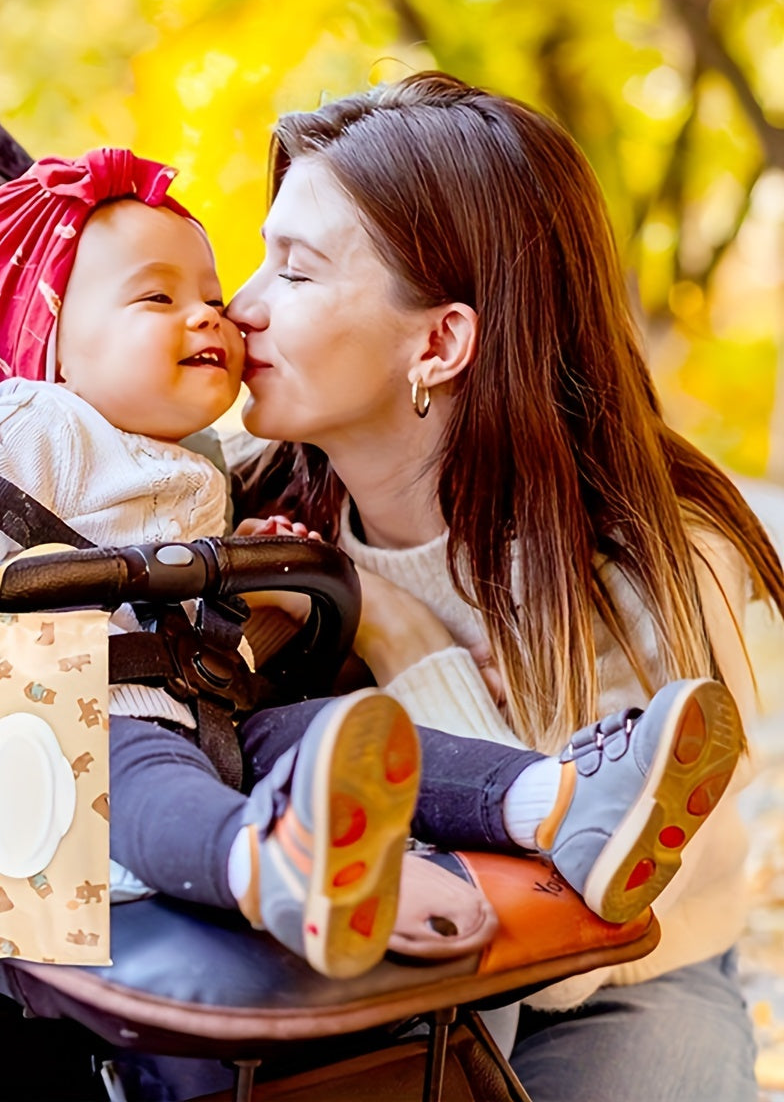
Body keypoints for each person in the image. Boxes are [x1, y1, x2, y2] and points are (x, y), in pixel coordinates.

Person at [0, 147, 741, 988]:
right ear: (51, 341)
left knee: (340, 729)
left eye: (275, 274)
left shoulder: (198, 470)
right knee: (138, 773)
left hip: (201, 715)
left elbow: (561, 973)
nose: (227, 312)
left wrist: (269, 583)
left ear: (438, 344)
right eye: (158, 299)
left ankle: (555, 801)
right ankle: (269, 861)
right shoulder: (34, 422)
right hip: (53, 719)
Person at [225, 71, 781, 1098]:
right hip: (355, 961)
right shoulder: (240, 494)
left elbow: (570, 920)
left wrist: (396, 635)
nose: (240, 307)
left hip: (618, 972)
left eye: (293, 275)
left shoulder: (656, 563)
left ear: (438, 342)